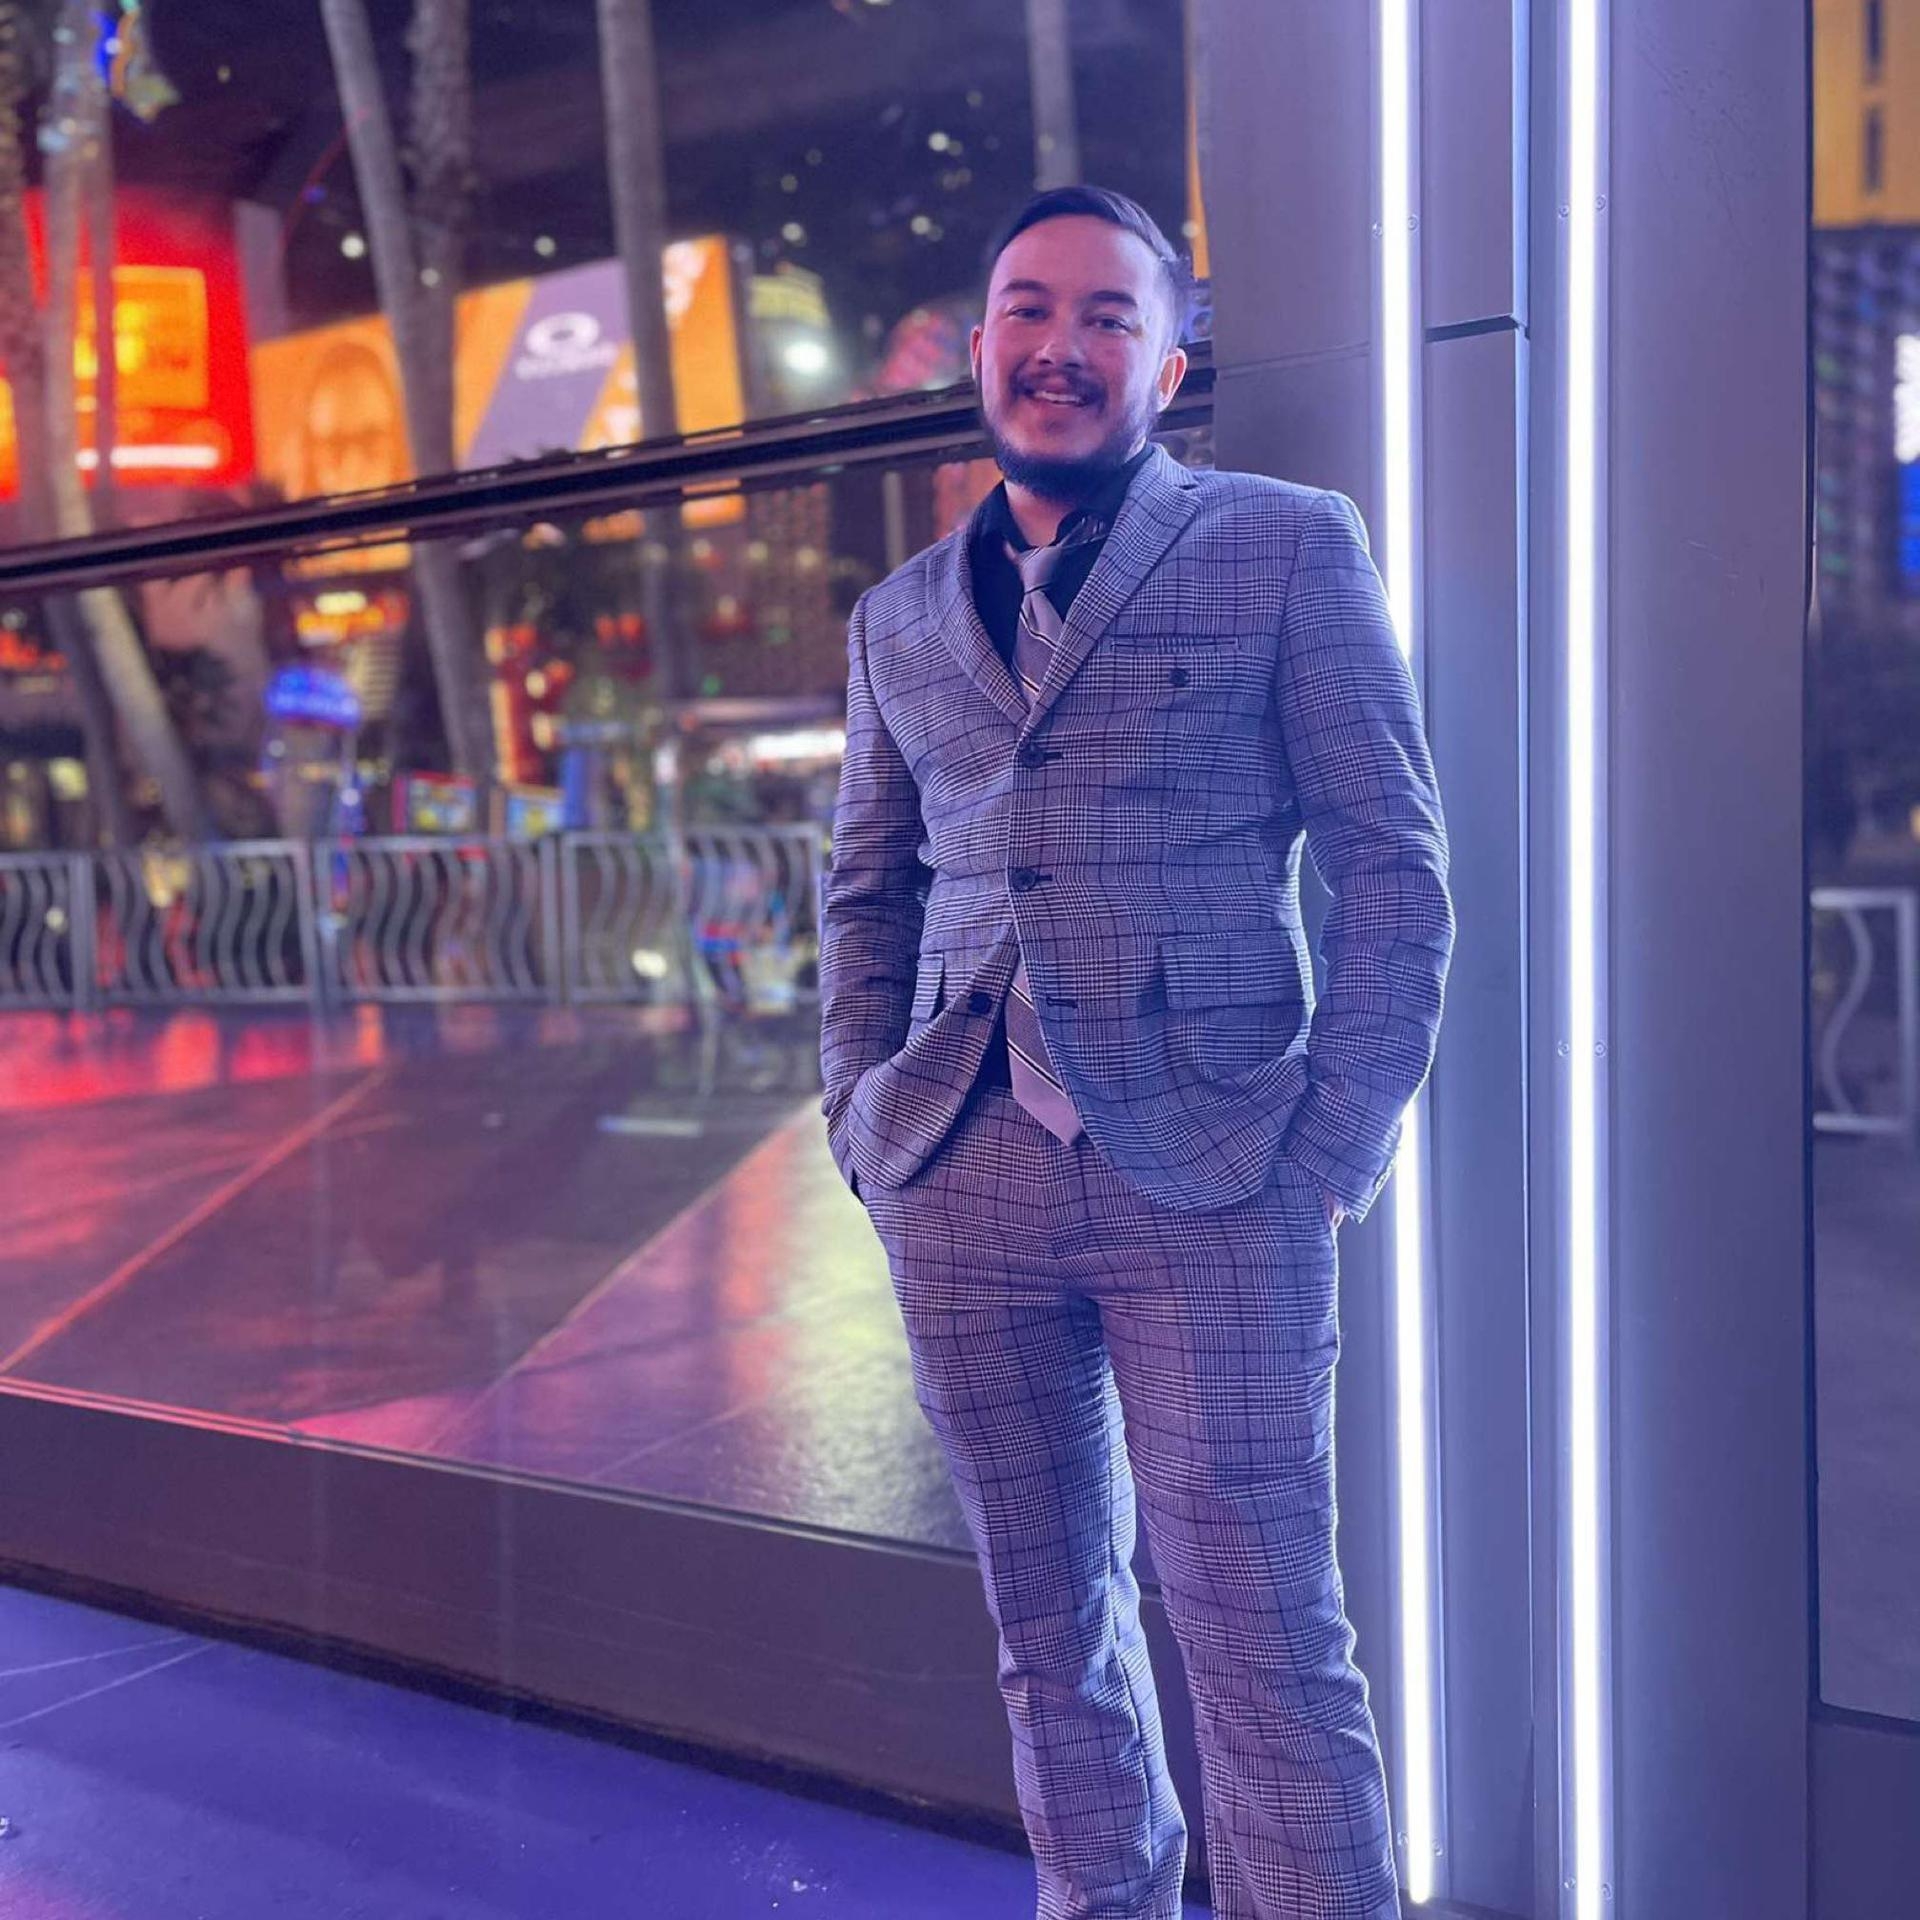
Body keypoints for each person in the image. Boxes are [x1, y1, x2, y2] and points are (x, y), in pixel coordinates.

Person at [817, 185, 1453, 1920]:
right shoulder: (895, 618)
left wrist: (1332, 1152)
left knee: (1265, 1639)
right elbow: (868, 892)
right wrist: (861, 1124)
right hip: (956, 1168)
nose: (1062, 344)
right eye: (1030, 309)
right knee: (1049, 1635)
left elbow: (1395, 866)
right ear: (979, 350)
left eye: (1109, 315)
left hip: (1220, 1174)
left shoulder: (1284, 543)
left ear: (1168, 366)